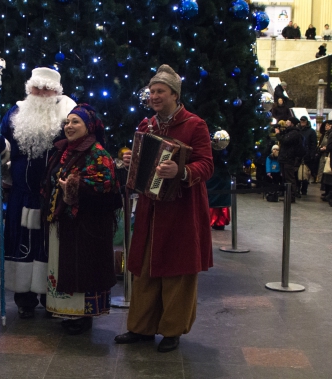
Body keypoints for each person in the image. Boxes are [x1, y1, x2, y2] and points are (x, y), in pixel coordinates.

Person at [114, 64, 214, 353]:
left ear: (175, 94)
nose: (154, 96)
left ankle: (172, 331)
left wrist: (180, 172)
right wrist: (132, 159)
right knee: (144, 269)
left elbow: (206, 165)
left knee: (177, 271)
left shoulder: (195, 125)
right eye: (151, 92)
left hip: (182, 210)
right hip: (150, 209)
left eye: (160, 91)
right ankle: (141, 328)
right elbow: (143, 165)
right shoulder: (147, 126)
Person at [0, 67, 76, 319]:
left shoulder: (67, 115)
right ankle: (23, 298)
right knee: (19, 242)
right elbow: (4, 142)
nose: (41, 93)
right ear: (29, 89)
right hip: (20, 194)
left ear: (56, 91)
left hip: (51, 197)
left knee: (48, 247)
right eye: (36, 88)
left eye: (47, 89)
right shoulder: (15, 112)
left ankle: (49, 295)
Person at [42, 104, 119, 335]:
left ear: (89, 127)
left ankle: (84, 316)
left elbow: (105, 184)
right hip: (66, 223)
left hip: (87, 227)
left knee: (83, 270)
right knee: (68, 268)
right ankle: (69, 313)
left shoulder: (97, 153)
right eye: (67, 122)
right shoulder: (64, 150)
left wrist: (74, 186)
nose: (69, 126)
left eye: (76, 122)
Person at [275, 117, 305, 201]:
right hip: (284, 157)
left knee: (289, 178)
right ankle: (287, 195)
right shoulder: (289, 131)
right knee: (285, 177)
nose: (286, 122)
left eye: (288, 121)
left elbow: (284, 141)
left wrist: (278, 134)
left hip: (289, 158)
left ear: (292, 123)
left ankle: (291, 196)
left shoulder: (294, 133)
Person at [298, 115, 317, 194]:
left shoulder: (311, 132)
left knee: (305, 173)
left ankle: (304, 188)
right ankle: (298, 188)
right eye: (301, 121)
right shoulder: (298, 130)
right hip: (298, 154)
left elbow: (313, 144)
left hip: (307, 155)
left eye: (304, 121)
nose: (302, 122)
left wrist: (311, 154)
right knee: (298, 173)